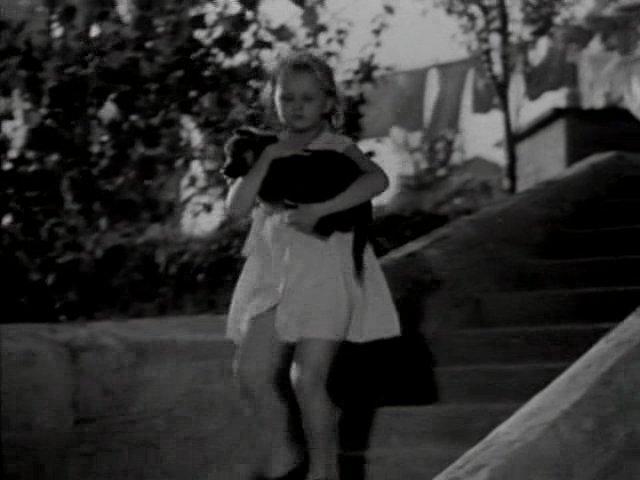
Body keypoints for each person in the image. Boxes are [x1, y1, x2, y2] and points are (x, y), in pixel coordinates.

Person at [225, 51, 401, 480]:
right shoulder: (263, 149)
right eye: (287, 97)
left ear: (327, 103)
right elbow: (236, 207)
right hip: (275, 274)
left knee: (307, 379)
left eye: (308, 98)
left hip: (324, 271)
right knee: (250, 370)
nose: (297, 106)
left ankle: (324, 469)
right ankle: (283, 454)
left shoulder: (337, 148)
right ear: (274, 100)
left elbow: (377, 179)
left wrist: (322, 210)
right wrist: (268, 158)